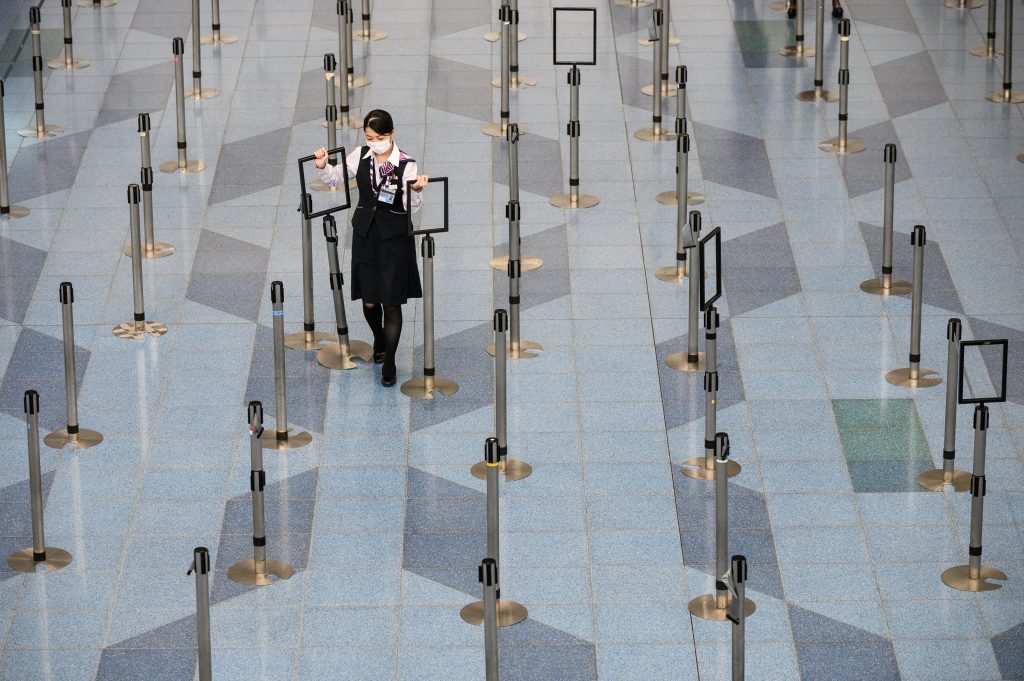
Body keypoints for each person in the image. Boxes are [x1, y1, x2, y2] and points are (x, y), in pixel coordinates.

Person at [314, 109, 428, 386]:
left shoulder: (406, 164)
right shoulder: (360, 155)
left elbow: (411, 208)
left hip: (394, 240)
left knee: (391, 301)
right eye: (369, 137)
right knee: (369, 299)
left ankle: (389, 360)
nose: (373, 141)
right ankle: (378, 336)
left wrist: (415, 192)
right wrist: (323, 165)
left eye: (379, 137)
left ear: (392, 134)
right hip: (365, 235)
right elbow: (337, 177)